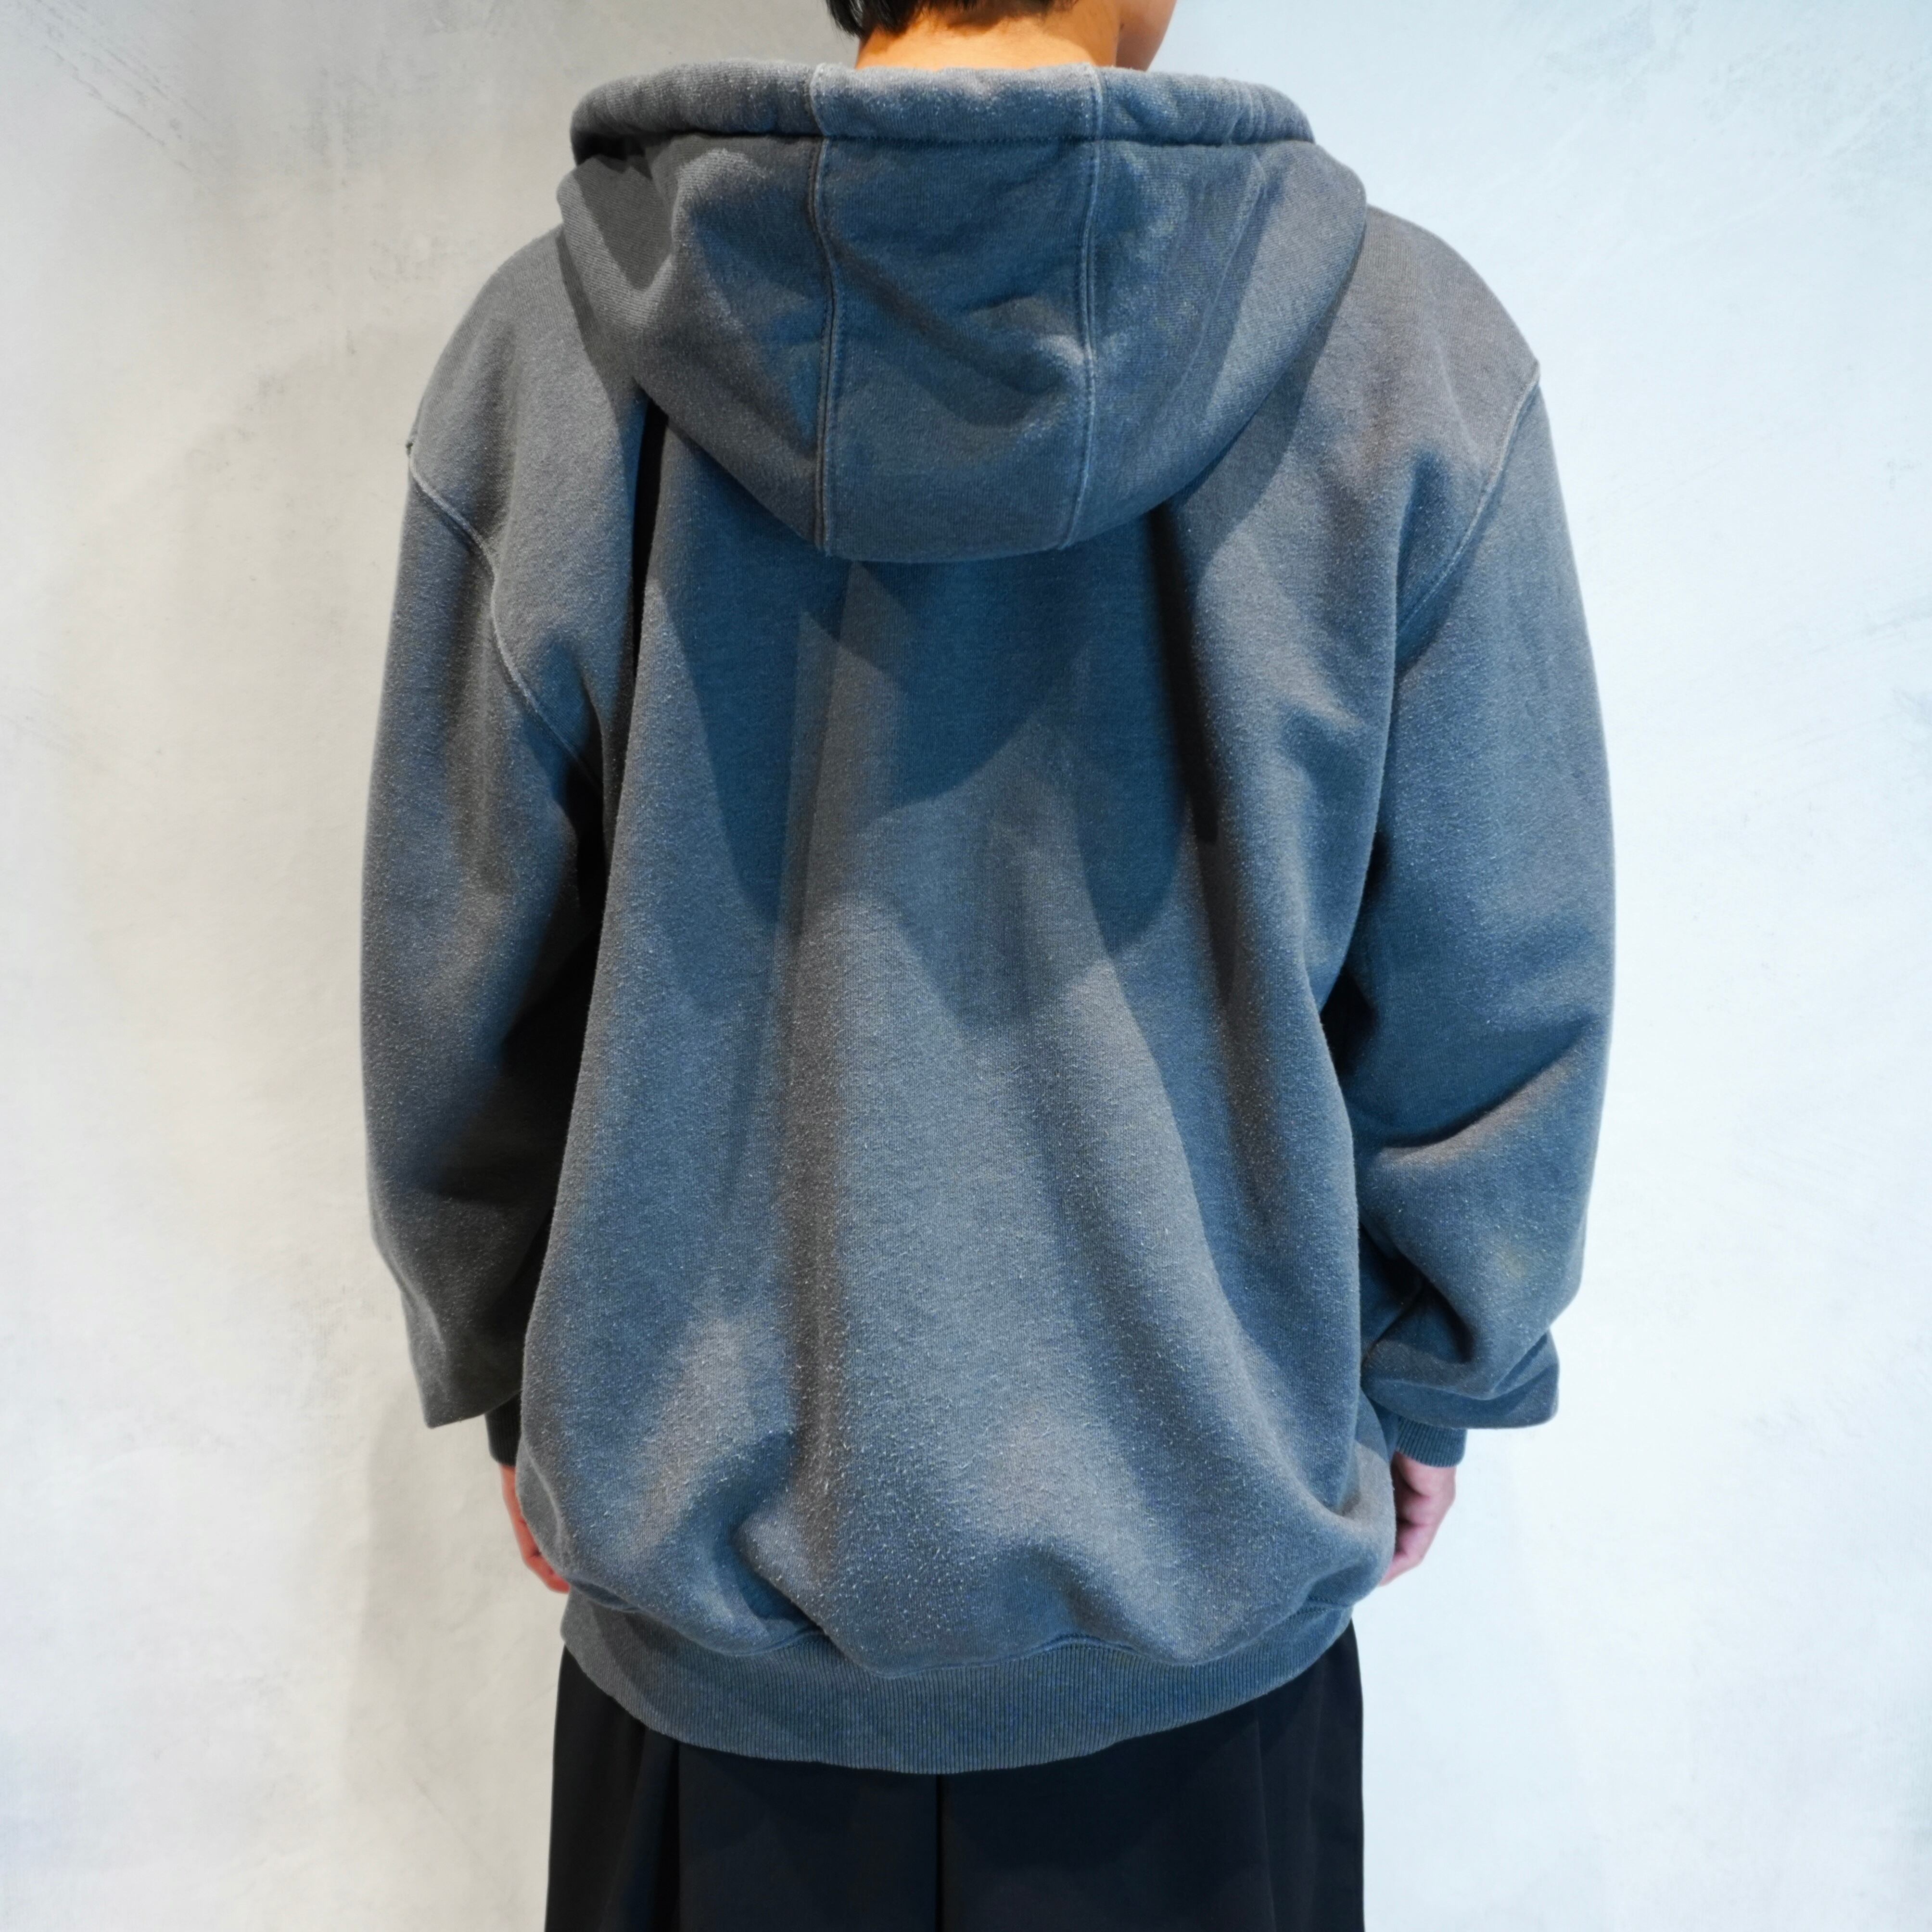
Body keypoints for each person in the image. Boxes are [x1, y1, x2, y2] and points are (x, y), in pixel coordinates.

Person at [360, 0, 1614, 1923]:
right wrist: (1432, 1371)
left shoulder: (555, 351)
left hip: (716, 1676)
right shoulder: (1402, 357)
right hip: (1197, 1654)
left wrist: (522, 1373)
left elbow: (453, 976)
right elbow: (1495, 966)